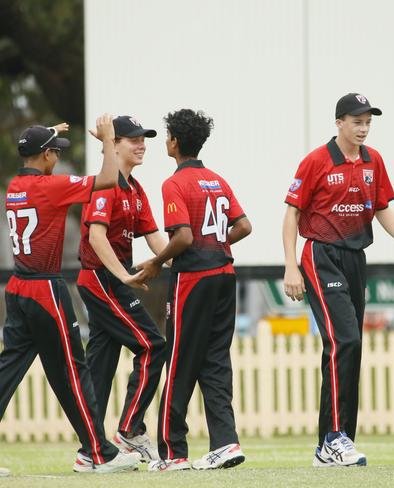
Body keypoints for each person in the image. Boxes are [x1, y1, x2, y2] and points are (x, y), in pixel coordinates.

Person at [282, 92, 394, 467]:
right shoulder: (316, 161)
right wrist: (290, 266)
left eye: (367, 122)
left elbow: (382, 208)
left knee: (353, 344)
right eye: (356, 121)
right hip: (320, 255)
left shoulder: (372, 160)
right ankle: (332, 438)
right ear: (339, 123)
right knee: (341, 339)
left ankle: (338, 440)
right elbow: (291, 215)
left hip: (354, 257)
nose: (363, 128)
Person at [0, 117, 140, 473]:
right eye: (54, 153)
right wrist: (108, 140)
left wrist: (48, 134)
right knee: (75, 373)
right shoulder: (51, 186)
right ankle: (98, 454)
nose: (58, 159)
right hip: (46, 289)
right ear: (45, 156)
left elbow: (34, 156)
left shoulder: (15, 185)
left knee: (7, 371)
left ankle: (95, 449)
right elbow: (108, 179)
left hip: (18, 289)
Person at [135, 109, 252, 472]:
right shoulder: (216, 179)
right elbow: (244, 226)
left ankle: (173, 452)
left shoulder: (174, 184)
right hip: (225, 274)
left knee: (181, 361)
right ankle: (225, 443)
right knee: (216, 361)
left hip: (195, 279)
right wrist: (216, 241)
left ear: (173, 141)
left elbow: (183, 236)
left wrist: (156, 262)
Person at [74, 116, 167, 470]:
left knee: (99, 365)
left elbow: (155, 238)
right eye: (132, 139)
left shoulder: (135, 189)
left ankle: (90, 451)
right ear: (113, 145)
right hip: (100, 279)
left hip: (112, 280)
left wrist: (183, 258)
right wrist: (124, 277)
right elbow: (97, 237)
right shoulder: (105, 185)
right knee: (151, 345)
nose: (141, 144)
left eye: (144, 139)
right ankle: (130, 430)